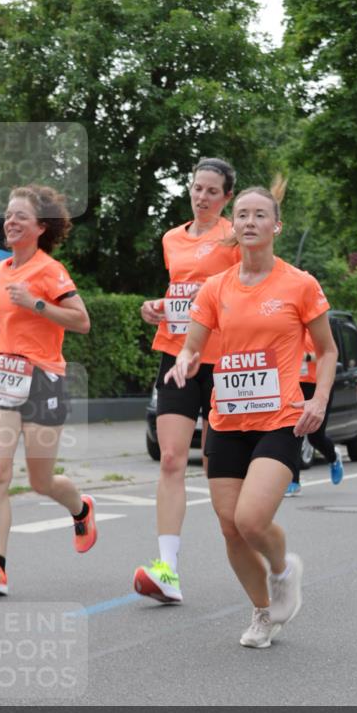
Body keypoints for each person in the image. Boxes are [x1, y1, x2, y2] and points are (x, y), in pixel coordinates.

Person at [165, 178, 337, 648]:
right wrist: (185, 360)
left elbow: (327, 351)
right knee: (229, 527)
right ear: (233, 226)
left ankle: (283, 571)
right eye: (242, 214)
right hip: (226, 418)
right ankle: (262, 612)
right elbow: (193, 345)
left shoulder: (300, 284)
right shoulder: (215, 288)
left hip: (280, 417)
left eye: (260, 215)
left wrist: (319, 399)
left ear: (276, 226)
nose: (249, 221)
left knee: (252, 520)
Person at [0, 185, 96, 596]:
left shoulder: (50, 270)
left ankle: (80, 508)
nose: (11, 221)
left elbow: (81, 322)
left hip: (43, 380)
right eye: (9, 215)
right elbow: (16, 324)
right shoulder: (2, 270)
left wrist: (35, 303)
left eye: (20, 216)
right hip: (3, 375)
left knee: (41, 481)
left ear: (41, 227)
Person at [133, 158, 240, 605]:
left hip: (223, 361)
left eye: (212, 191)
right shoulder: (171, 238)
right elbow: (179, 293)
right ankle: (167, 570)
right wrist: (157, 307)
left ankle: (256, 551)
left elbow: (247, 291)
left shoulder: (235, 236)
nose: (202, 197)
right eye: (197, 188)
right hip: (176, 355)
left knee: (220, 469)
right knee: (172, 459)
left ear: (226, 197)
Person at [284, 331, 343, 496]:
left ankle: (333, 457)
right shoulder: (289, 328)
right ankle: (293, 481)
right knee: (294, 431)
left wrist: (307, 357)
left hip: (318, 385)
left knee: (315, 436)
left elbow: (329, 353)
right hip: (294, 384)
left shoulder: (317, 327)